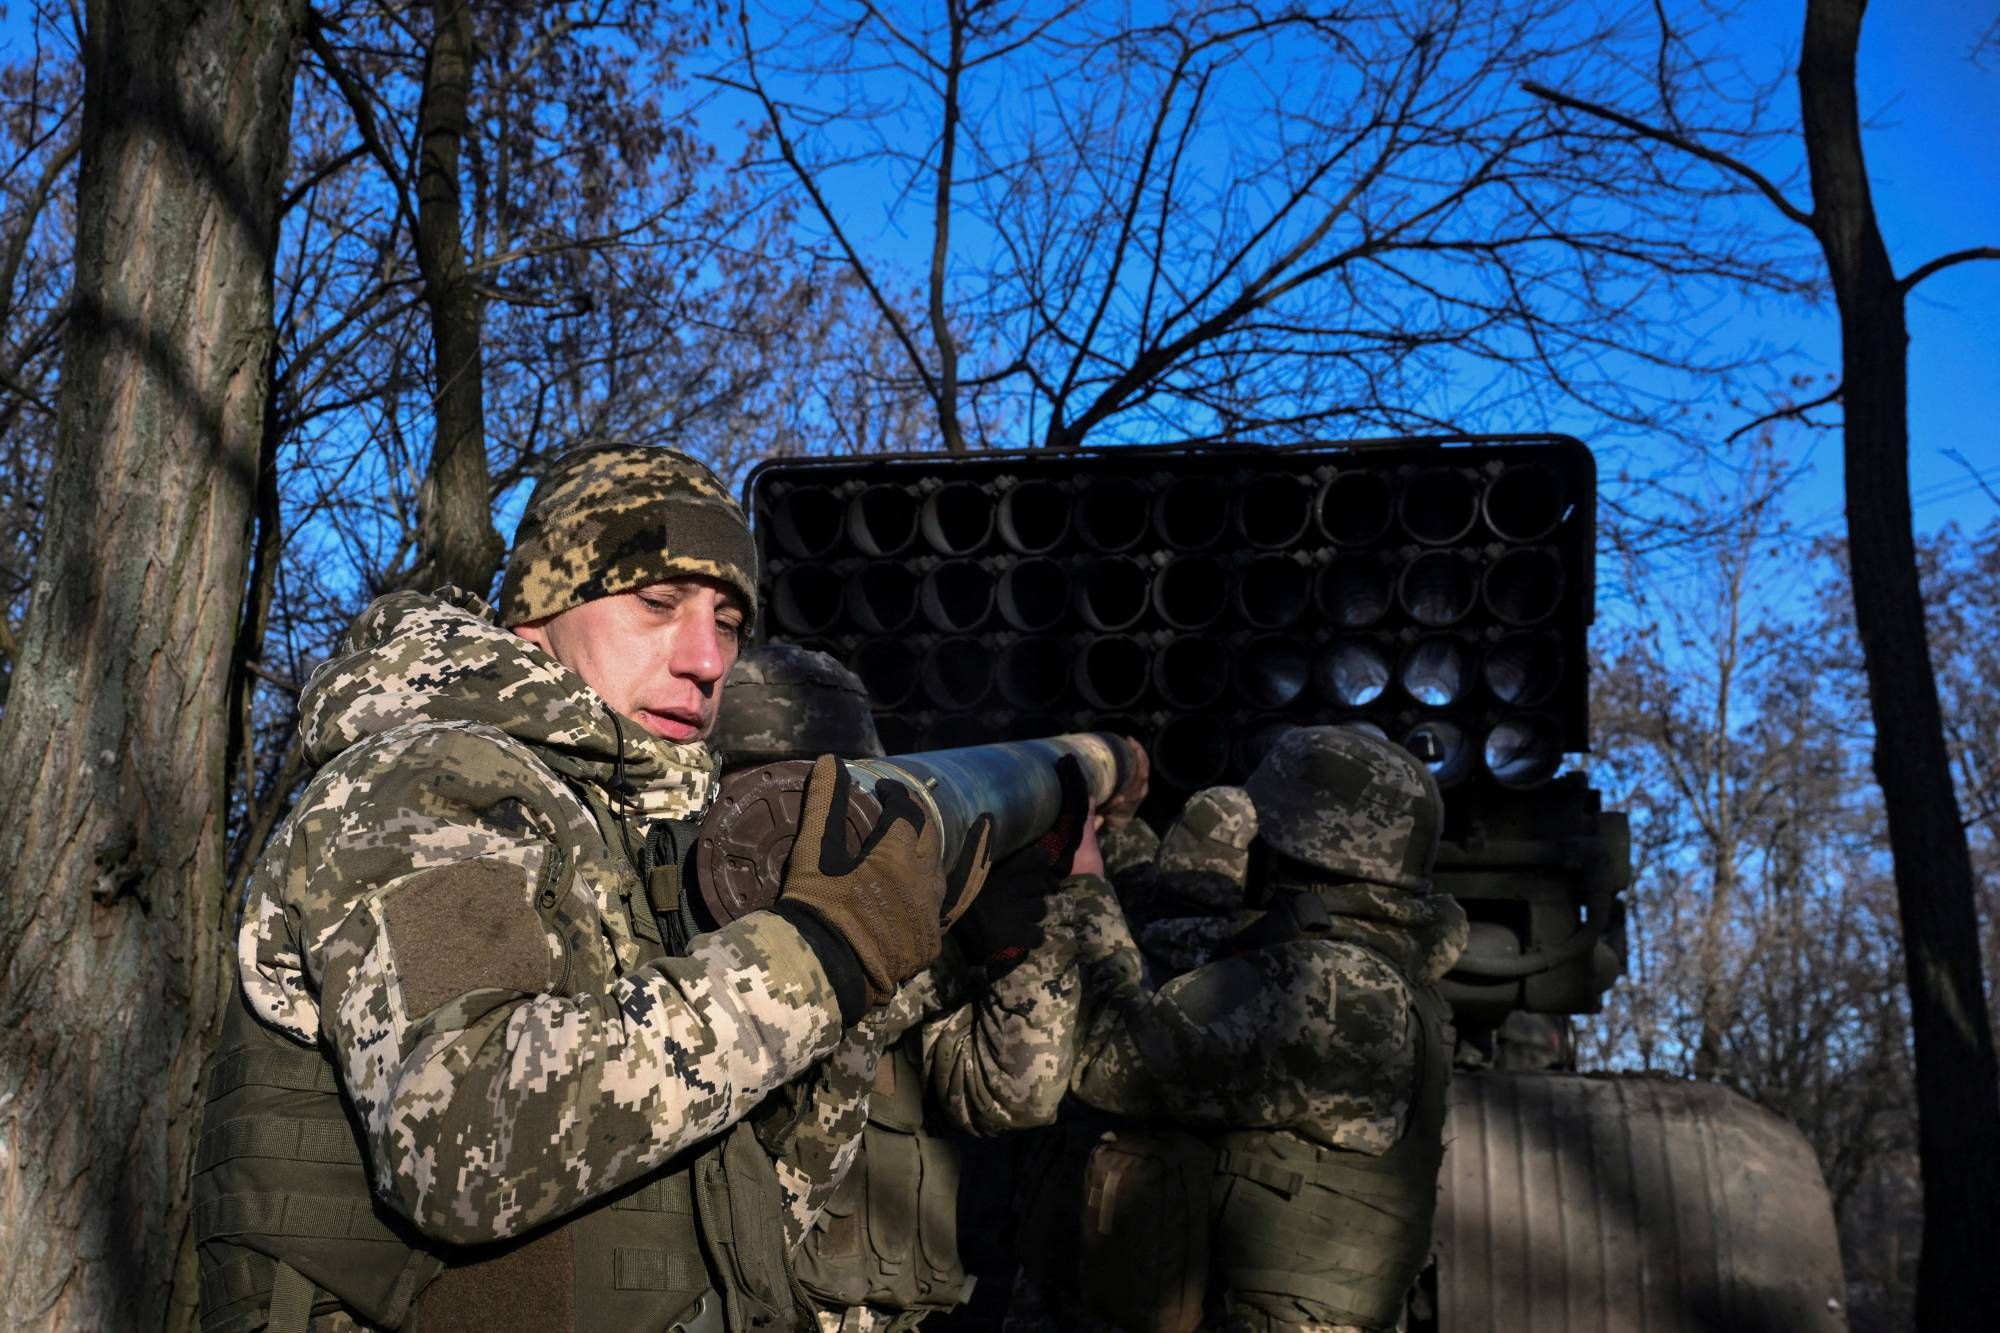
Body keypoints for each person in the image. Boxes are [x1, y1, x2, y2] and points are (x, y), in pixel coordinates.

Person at [195, 444, 989, 1333]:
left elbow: (748, 1227)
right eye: (658, 602)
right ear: (542, 609)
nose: (708, 659)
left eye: (729, 621)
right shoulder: (426, 778)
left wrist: (866, 993)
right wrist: (817, 954)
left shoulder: (632, 839)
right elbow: (464, 1142)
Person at [1013, 726, 1468, 1333]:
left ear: (1298, 851)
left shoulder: (1325, 988)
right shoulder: (1374, 973)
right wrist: (1120, 831)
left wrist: (1082, 886)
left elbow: (1106, 1061)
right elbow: (1195, 950)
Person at [707, 645, 1098, 1333]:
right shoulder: (685, 941)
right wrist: (934, 961)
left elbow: (1013, 1093)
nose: (804, 828)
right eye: (780, 795)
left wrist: (1025, 937)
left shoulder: (911, 914)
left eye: (836, 794)